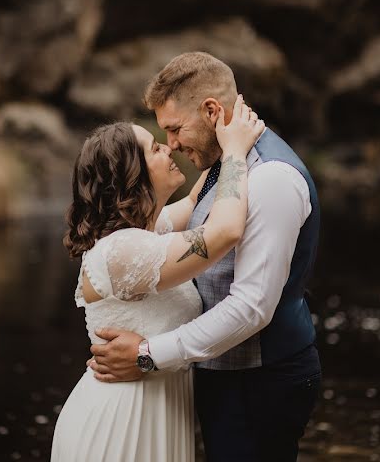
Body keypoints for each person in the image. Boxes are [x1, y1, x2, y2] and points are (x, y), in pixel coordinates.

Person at [88, 52, 322, 462]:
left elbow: (252, 307)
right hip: (224, 377)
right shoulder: (222, 166)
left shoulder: (271, 179)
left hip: (260, 380)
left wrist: (147, 354)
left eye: (175, 129)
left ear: (213, 111)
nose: (172, 145)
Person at [51, 96, 265, 461]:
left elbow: (202, 196)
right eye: (154, 147)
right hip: (120, 424)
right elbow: (225, 228)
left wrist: (220, 132)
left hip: (155, 412)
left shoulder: (147, 231)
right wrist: (234, 151)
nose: (169, 148)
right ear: (133, 175)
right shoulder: (123, 252)